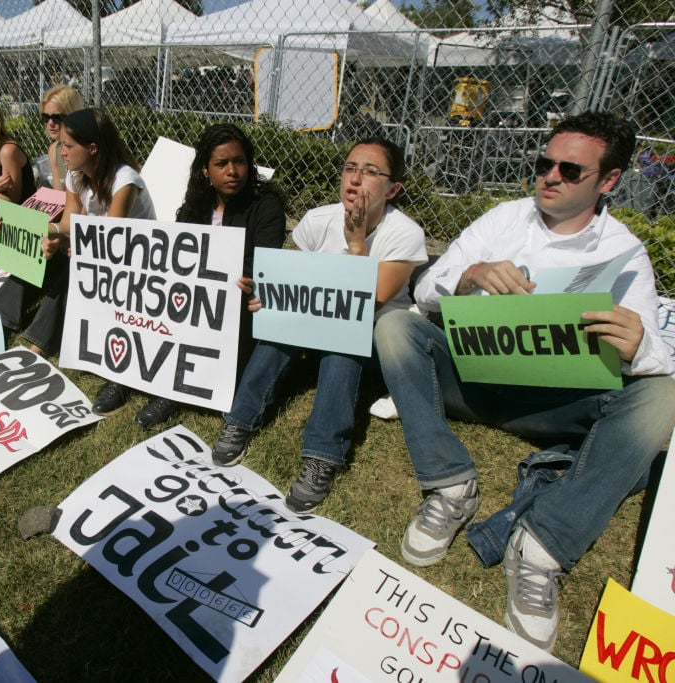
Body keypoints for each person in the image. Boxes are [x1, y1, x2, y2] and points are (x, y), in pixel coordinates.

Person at [373, 111, 675, 651]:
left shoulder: (625, 252)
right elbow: (425, 294)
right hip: (477, 381)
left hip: (561, 401)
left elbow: (651, 351)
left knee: (662, 395)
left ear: (608, 181)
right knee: (396, 327)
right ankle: (449, 483)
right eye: (543, 163)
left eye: (569, 170)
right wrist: (466, 277)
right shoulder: (503, 219)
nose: (550, 176)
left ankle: (545, 543)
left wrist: (637, 345)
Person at [211, 137, 427, 514]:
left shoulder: (404, 233)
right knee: (280, 328)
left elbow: (367, 301)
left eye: (371, 171)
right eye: (350, 167)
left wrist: (357, 244)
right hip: (317, 325)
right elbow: (297, 280)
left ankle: (322, 455)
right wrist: (272, 294)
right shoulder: (317, 220)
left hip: (374, 340)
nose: (356, 179)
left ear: (393, 189)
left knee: (342, 342)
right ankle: (239, 420)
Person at [131, 123, 288, 429]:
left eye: (239, 161)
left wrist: (246, 279)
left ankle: (202, 386)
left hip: (240, 302)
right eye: (221, 163)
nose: (232, 170)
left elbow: (263, 263)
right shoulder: (195, 205)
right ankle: (166, 388)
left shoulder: (265, 206)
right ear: (205, 170)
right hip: (194, 300)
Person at [0, 107, 154, 358]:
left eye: (68, 146)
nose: (61, 151)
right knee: (41, 249)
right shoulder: (77, 176)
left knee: (72, 265)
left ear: (93, 149)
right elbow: (67, 223)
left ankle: (39, 344)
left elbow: (112, 236)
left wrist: (66, 242)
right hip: (95, 248)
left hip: (130, 261)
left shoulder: (125, 181)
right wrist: (29, 228)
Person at [39, 85, 83, 190]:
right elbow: (58, 194)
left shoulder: (85, 148)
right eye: (46, 117)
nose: (50, 123)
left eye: (56, 118)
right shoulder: (54, 150)